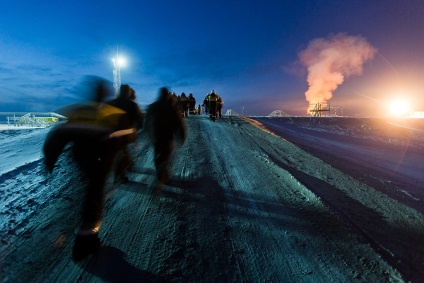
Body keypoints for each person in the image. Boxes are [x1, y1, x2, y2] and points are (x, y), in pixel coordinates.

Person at [43, 77, 131, 262]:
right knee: (95, 195)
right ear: (104, 94)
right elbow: (127, 135)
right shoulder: (112, 113)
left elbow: (58, 135)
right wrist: (124, 158)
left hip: (81, 157)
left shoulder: (80, 111)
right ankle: (84, 243)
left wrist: (50, 158)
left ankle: (87, 236)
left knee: (92, 190)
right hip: (101, 159)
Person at [144, 87, 186, 189]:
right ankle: (162, 175)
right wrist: (181, 136)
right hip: (167, 137)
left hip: (155, 136)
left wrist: (147, 133)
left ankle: (160, 174)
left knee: (157, 153)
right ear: (167, 95)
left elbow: (146, 122)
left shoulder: (152, 106)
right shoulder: (171, 107)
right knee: (165, 156)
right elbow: (179, 123)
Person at [107, 84, 144, 183]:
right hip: (125, 134)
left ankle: (128, 164)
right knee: (122, 152)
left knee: (121, 150)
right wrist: (137, 128)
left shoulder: (111, 103)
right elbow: (140, 120)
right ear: (128, 92)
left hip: (111, 133)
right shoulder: (132, 104)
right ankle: (119, 175)